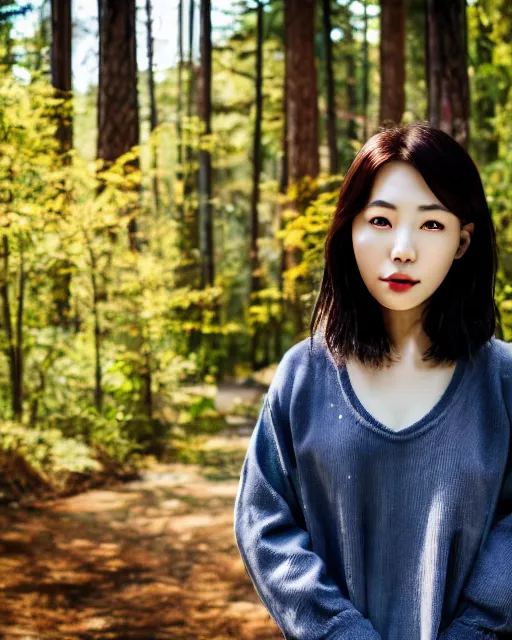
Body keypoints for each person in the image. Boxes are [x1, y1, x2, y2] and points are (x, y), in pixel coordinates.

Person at [233, 123, 512, 640]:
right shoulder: (303, 375)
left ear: (462, 242)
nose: (402, 249)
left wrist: (476, 628)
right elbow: (264, 522)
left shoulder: (503, 380)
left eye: (431, 226)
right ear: (350, 232)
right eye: (381, 220)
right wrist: (339, 631)